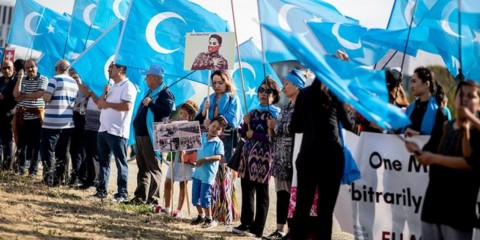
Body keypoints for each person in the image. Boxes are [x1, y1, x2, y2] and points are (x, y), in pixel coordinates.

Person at [405, 80, 480, 240]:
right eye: (461, 94)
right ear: (455, 98)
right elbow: (426, 157)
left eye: (471, 96)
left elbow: (469, 163)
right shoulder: (445, 126)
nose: (465, 99)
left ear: (479, 104)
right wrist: (417, 152)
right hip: (433, 208)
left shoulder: (476, 131)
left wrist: (435, 158)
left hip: (458, 214)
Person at [289, 78, 354, 239]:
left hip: (308, 156)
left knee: (302, 207)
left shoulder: (304, 95)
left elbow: (295, 127)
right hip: (332, 157)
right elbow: (348, 124)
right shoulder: (336, 94)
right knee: (326, 211)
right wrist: (349, 110)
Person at [233, 77, 281, 238]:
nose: (263, 94)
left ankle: (258, 228)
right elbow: (242, 133)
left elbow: (274, 138)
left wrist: (256, 134)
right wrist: (244, 123)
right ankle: (246, 222)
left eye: (267, 91)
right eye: (261, 90)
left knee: (262, 192)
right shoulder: (253, 112)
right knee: (246, 190)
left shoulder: (276, 115)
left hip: (264, 157)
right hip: (247, 157)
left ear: (274, 95)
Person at [263, 69, 306, 240]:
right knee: (281, 195)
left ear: (298, 85)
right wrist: (271, 128)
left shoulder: (303, 106)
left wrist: (277, 126)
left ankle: (291, 231)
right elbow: (277, 132)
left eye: (287, 84)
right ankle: (279, 229)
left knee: (291, 196)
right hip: (279, 157)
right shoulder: (285, 108)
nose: (284, 87)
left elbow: (298, 127)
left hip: (293, 157)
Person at [195, 69, 242, 224]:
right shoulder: (208, 98)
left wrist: (214, 121)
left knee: (222, 177)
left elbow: (233, 120)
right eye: (214, 83)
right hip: (207, 143)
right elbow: (198, 120)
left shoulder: (233, 99)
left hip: (224, 143)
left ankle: (223, 214)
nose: (217, 86)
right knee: (208, 179)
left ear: (227, 82)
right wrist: (204, 111)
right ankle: (209, 213)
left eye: (220, 82)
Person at [128, 65, 174, 205]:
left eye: (147, 76)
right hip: (141, 134)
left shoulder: (165, 93)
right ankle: (140, 196)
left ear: (155, 78)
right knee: (142, 167)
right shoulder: (151, 91)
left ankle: (153, 199)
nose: (145, 79)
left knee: (153, 166)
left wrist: (151, 105)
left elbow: (166, 111)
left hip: (152, 135)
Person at [93, 63, 137, 202]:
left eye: (111, 68)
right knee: (103, 161)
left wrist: (109, 104)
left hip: (117, 131)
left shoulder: (128, 86)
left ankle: (122, 193)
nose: (108, 70)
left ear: (120, 70)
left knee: (120, 162)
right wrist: (104, 93)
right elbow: (100, 105)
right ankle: (101, 190)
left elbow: (127, 106)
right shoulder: (111, 87)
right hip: (104, 128)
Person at [41, 60, 79, 187]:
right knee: (63, 153)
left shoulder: (54, 79)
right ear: (67, 69)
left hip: (52, 122)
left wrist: (43, 94)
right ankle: (60, 179)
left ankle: (48, 179)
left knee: (48, 151)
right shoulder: (74, 82)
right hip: (67, 122)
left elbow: (47, 98)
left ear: (56, 68)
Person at [163, 100, 199, 217]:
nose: (181, 115)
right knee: (168, 181)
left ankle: (178, 210)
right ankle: (167, 207)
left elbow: (195, 145)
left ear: (190, 115)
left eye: (183, 113)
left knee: (183, 184)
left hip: (185, 159)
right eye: (181, 113)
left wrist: (186, 149)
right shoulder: (176, 123)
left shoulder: (193, 126)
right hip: (174, 157)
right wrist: (167, 126)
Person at [12, 59, 48, 176]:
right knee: (20, 143)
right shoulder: (23, 79)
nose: (30, 70)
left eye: (32, 67)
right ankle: (20, 168)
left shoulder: (43, 78)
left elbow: (38, 94)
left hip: (36, 117)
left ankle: (33, 170)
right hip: (23, 117)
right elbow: (16, 95)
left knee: (35, 144)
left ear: (36, 67)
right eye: (27, 68)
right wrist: (20, 78)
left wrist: (24, 96)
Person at [190, 116, 226, 229]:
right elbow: (193, 146)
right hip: (197, 174)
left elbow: (219, 157)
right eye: (213, 126)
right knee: (195, 198)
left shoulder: (218, 143)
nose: (214, 129)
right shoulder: (202, 137)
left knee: (205, 197)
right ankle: (200, 216)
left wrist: (205, 159)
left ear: (221, 132)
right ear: (209, 125)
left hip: (207, 175)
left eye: (218, 128)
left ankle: (209, 218)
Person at [403, 67, 449, 136]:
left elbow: (443, 139)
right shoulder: (410, 108)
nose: (411, 86)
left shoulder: (441, 111)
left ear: (426, 84)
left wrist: (418, 134)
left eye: (414, 81)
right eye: (411, 82)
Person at [68, 68, 88, 187]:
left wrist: (79, 83)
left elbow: (88, 95)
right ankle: (75, 175)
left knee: (81, 150)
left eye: (75, 76)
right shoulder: (69, 86)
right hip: (71, 117)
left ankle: (80, 176)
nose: (73, 79)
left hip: (83, 118)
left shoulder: (85, 85)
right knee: (73, 149)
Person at [0, 60, 18, 170]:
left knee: (9, 141)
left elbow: (7, 97)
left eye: (9, 67)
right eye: (4, 68)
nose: (6, 70)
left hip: (11, 116)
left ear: (13, 68)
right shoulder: (0, 80)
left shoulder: (16, 81)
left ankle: (8, 166)